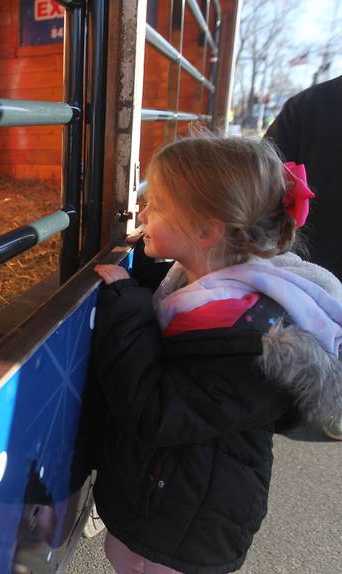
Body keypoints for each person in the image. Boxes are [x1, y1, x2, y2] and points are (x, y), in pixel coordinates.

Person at [90, 134, 342, 574]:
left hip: (184, 528)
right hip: (167, 497)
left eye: (159, 205)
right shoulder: (204, 282)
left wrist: (127, 308)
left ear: (206, 231)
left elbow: (156, 410)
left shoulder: (247, 338)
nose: (143, 213)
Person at [265, 74, 342, 279]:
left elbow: (254, 190)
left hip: (303, 286)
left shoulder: (307, 106)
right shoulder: (306, 107)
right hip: (303, 279)